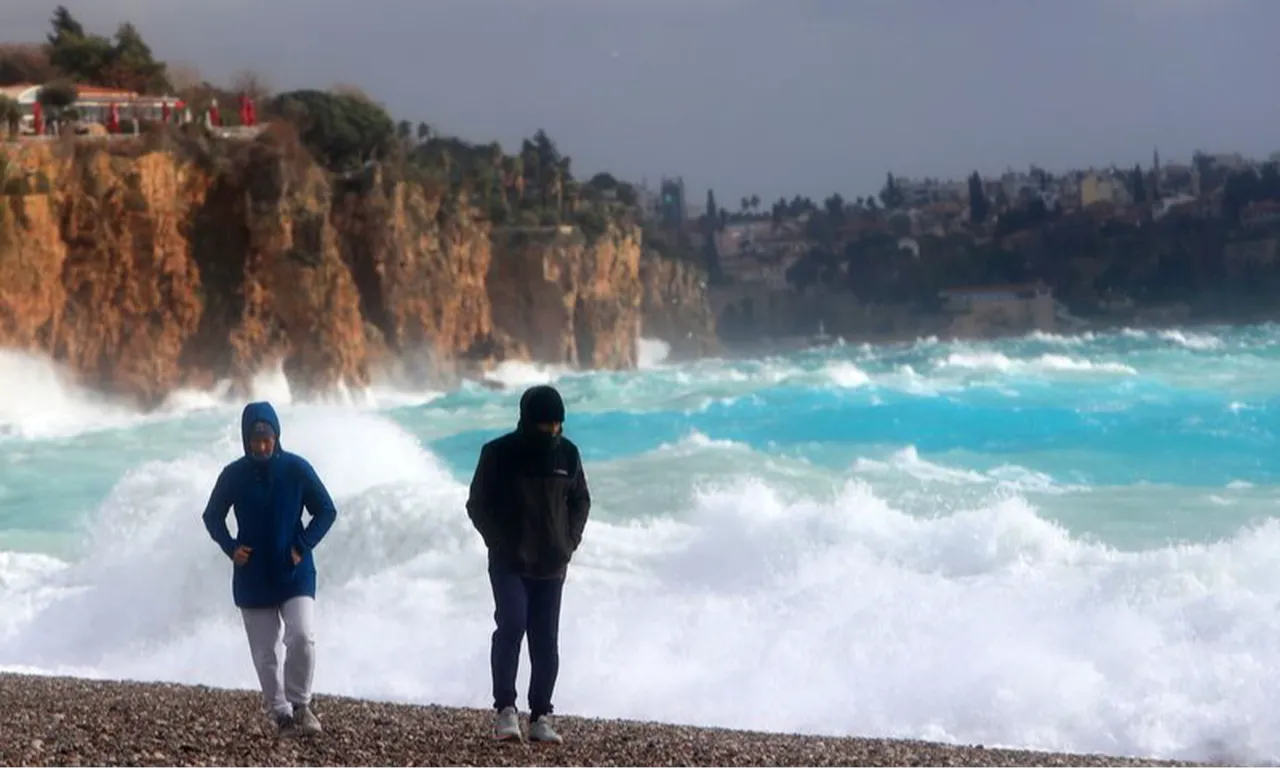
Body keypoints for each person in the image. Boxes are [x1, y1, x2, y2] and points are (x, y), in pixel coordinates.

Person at [202, 401, 339, 738]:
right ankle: (281, 714)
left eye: (267, 439)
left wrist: (301, 545)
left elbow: (326, 510)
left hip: (294, 571)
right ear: (246, 440)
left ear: (277, 437)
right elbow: (212, 516)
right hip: (253, 577)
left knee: (302, 635)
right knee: (265, 653)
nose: (262, 446)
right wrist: (231, 547)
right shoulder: (233, 475)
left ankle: (301, 704)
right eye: (255, 440)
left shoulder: (296, 469)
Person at [466, 384, 591, 744]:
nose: (552, 431)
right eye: (545, 424)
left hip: (553, 562)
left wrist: (569, 542)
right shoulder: (498, 453)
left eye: (557, 424)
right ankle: (505, 709)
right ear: (527, 421)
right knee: (512, 624)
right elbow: (477, 504)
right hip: (509, 561)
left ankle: (541, 716)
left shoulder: (568, 455)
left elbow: (581, 500)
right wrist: (499, 542)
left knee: (545, 638)